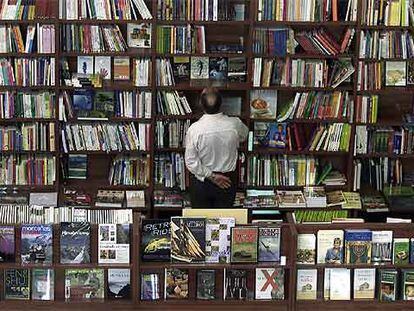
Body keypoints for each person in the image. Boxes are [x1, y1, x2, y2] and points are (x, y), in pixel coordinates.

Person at [185, 88, 249, 207]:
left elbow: (191, 162)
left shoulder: (194, 129)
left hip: (202, 181)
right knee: (224, 222)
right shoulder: (235, 124)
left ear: (201, 105)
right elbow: (244, 137)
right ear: (221, 104)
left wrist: (212, 176)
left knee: (200, 223)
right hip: (227, 180)